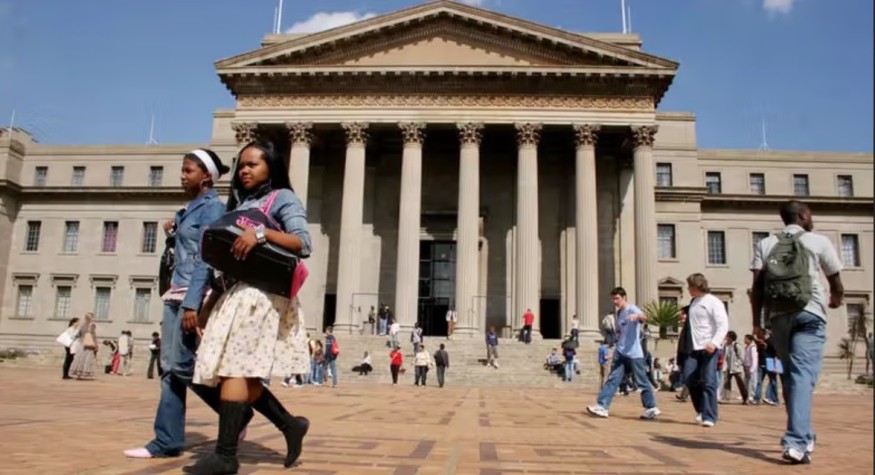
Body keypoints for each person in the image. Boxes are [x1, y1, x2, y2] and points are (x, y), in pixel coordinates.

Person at [183, 140, 313, 474]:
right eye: (241, 165)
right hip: (235, 293)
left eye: (253, 164)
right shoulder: (240, 204)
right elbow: (227, 264)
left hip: (262, 295)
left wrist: (260, 233)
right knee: (237, 376)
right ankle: (290, 425)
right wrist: (209, 303)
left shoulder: (281, 198)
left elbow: (303, 242)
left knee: (234, 370)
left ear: (271, 166)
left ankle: (226, 456)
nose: (244, 170)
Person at [124, 149, 243, 460]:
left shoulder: (212, 209)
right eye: (182, 170)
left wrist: (193, 304)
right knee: (169, 369)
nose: (182, 176)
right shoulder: (188, 210)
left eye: (188, 171)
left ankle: (234, 411)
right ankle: (166, 441)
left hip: (192, 295)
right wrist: (173, 233)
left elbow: (207, 258)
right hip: (175, 292)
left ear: (206, 177)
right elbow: (184, 252)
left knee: (180, 365)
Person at [750, 200, 843, 465]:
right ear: (803, 215)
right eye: (810, 214)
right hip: (810, 313)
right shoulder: (818, 241)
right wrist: (836, 298)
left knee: (792, 377)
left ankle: (805, 435)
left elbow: (757, 287)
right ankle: (796, 442)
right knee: (801, 377)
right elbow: (835, 279)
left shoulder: (766, 244)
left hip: (778, 316)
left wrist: (757, 322)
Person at [586, 287, 661, 420]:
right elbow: (620, 333)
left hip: (634, 353)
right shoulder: (619, 313)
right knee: (613, 378)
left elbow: (644, 317)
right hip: (621, 352)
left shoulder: (632, 309)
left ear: (624, 297)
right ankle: (602, 406)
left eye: (617, 298)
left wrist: (637, 316)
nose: (615, 301)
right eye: (613, 299)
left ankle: (651, 407)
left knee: (641, 380)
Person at [682, 273, 729, 428]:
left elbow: (723, 324)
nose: (688, 289)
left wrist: (714, 342)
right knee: (689, 378)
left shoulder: (713, 302)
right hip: (693, 347)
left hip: (709, 347)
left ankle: (710, 416)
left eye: (690, 286)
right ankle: (702, 409)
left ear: (698, 286)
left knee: (709, 381)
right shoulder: (693, 302)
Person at [69, 312, 98, 379]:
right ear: (91, 318)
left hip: (82, 344)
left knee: (80, 358)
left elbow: (78, 334)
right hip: (88, 344)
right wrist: (96, 344)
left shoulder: (82, 325)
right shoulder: (92, 325)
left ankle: (78, 373)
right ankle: (85, 373)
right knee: (88, 358)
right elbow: (93, 335)